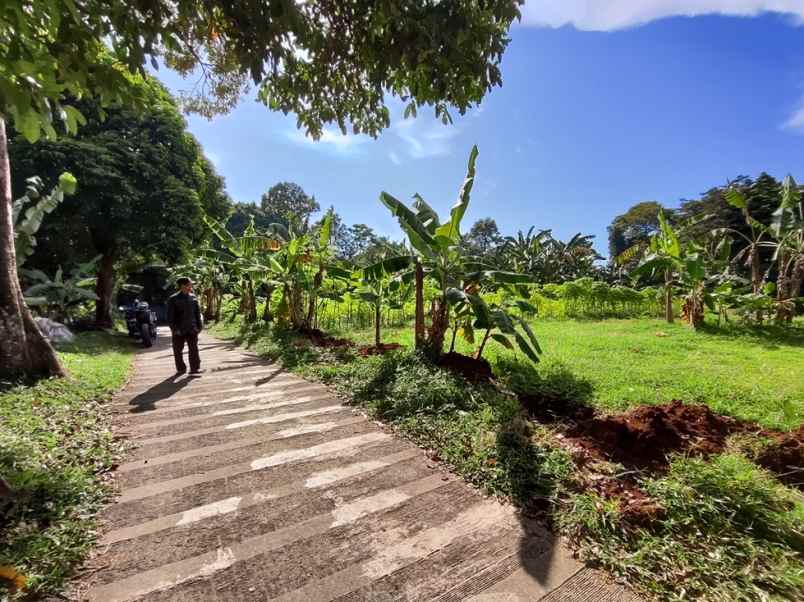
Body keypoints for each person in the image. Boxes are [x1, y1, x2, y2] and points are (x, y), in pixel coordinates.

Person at [167, 277, 203, 375]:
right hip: (179, 329)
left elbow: (197, 313)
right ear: (183, 286)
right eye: (189, 284)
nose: (191, 286)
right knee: (178, 350)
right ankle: (181, 369)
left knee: (194, 349)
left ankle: (194, 369)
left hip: (192, 328)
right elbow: (170, 317)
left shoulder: (193, 297)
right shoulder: (173, 299)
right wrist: (174, 329)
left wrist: (199, 326)